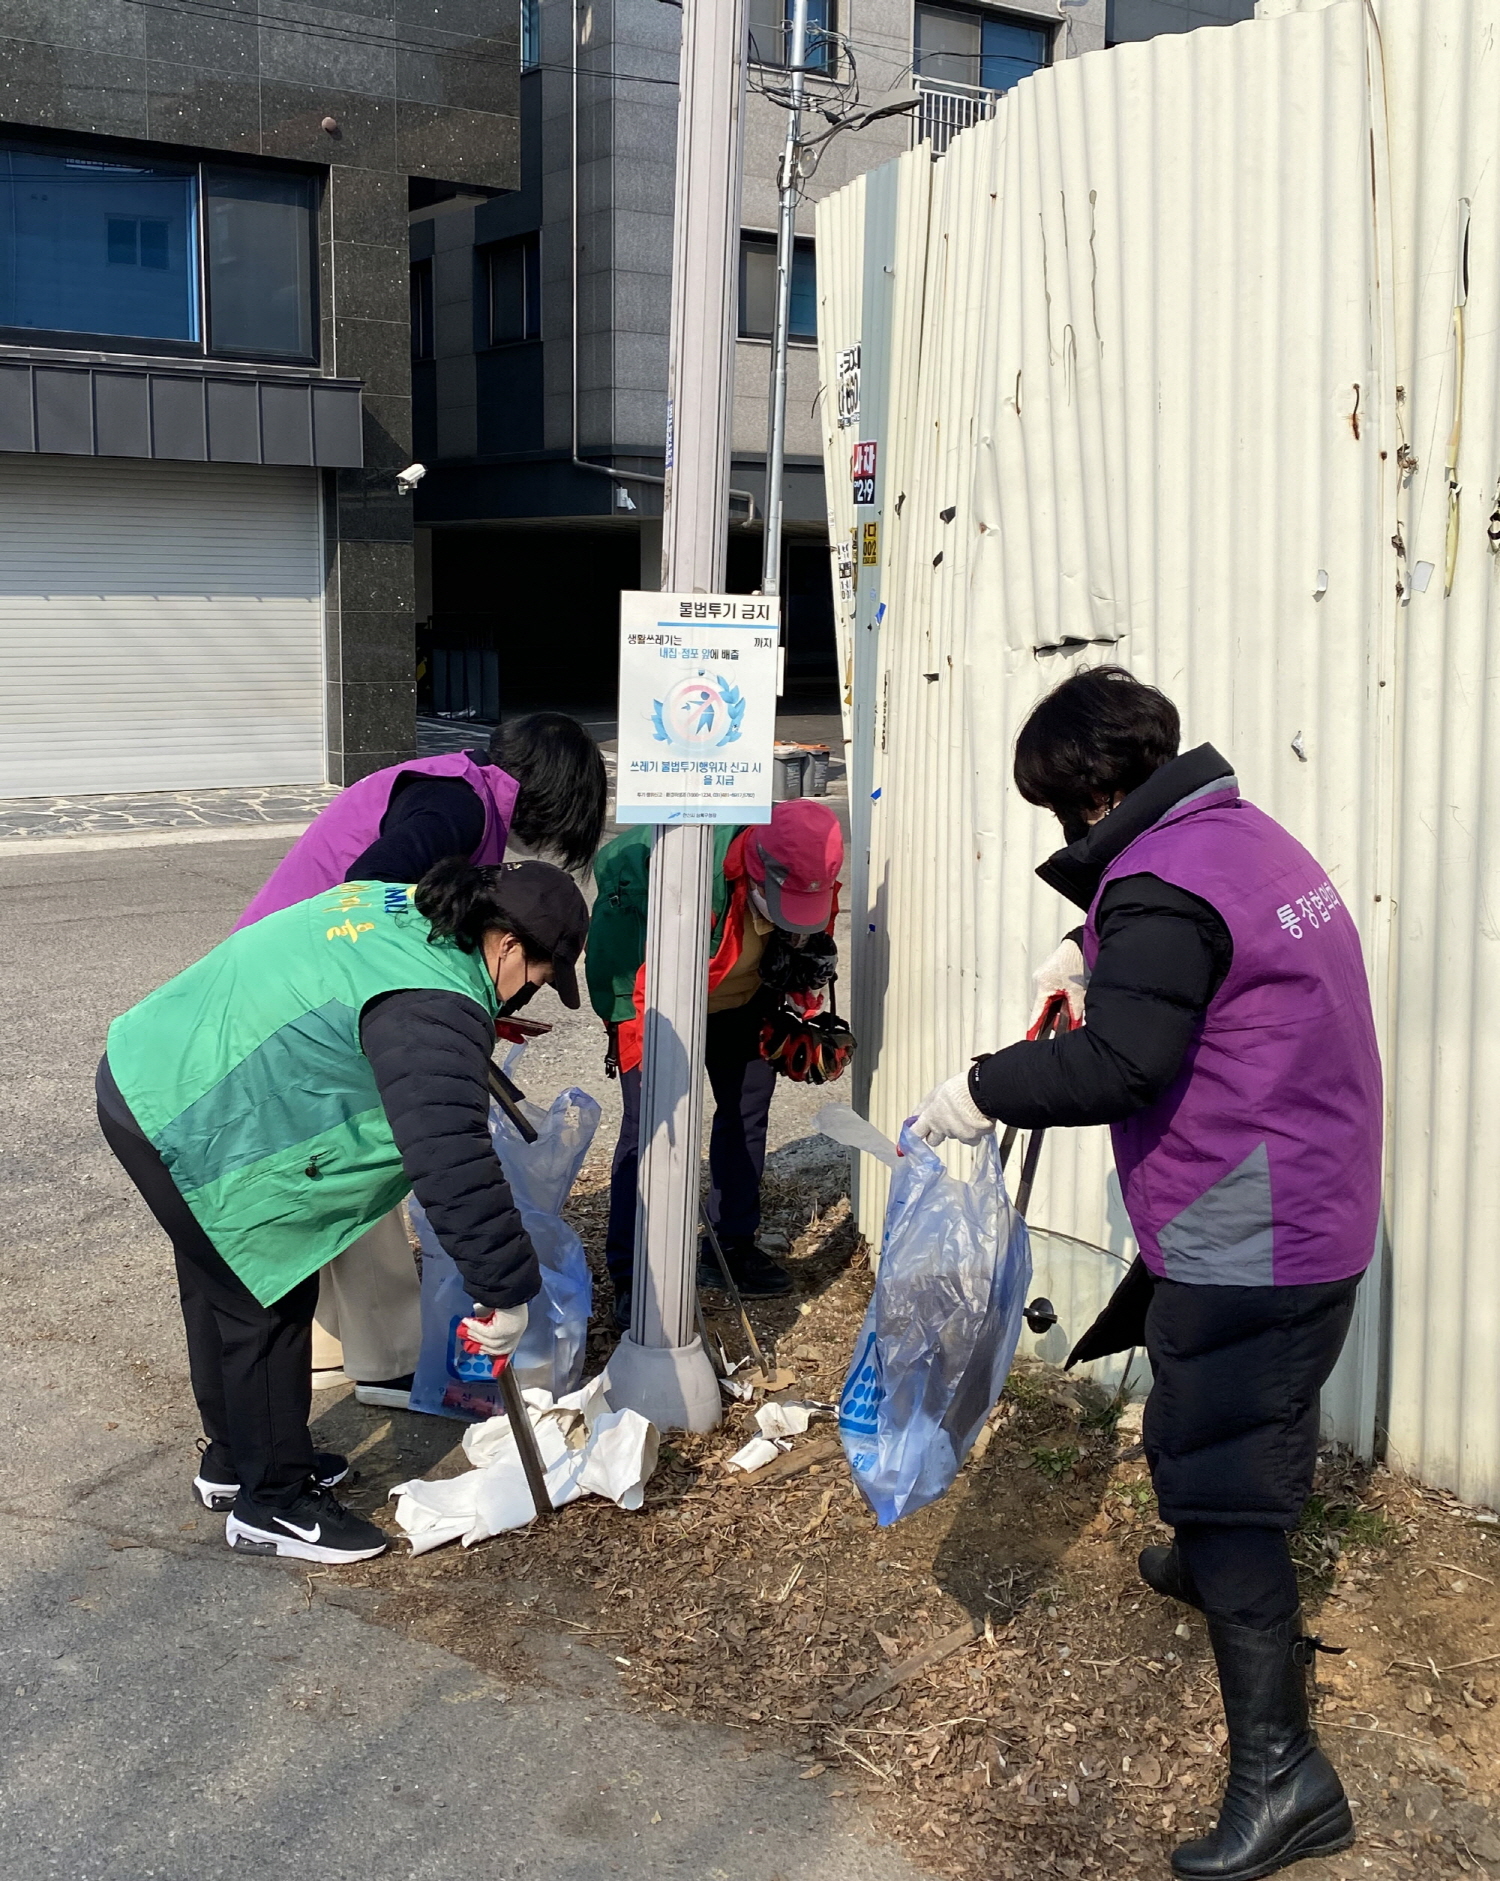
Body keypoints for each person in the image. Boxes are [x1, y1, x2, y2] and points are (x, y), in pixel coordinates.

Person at [913, 667, 1380, 1881]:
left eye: (1060, 811)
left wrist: (978, 1087)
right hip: (1301, 1193)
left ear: (1098, 795)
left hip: (1257, 1228)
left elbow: (1124, 1062)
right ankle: (1211, 1554)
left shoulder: (1165, 883)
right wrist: (1085, 947)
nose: (1063, 836)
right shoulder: (1237, 836)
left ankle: (1287, 1780)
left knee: (1222, 1463)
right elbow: (1181, 969)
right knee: (1230, 1409)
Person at [97, 859, 590, 1564]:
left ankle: (236, 1460)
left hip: (157, 1064)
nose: (526, 991)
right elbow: (451, 1159)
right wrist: (507, 1291)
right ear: (506, 942)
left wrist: (469, 1030)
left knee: (221, 1286)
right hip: (184, 1110)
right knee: (267, 1295)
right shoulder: (432, 1002)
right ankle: (274, 1503)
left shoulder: (412, 907)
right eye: (536, 974)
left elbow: (377, 1009)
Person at [235, 712, 608, 1409]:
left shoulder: (465, 791)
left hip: (291, 979)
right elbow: (370, 889)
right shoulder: (458, 807)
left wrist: (477, 1005)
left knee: (326, 1157)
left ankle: (333, 1348)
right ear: (554, 795)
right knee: (371, 1155)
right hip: (304, 988)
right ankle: (387, 1358)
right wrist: (433, 1011)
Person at [588, 799, 844, 1329]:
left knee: (747, 1113)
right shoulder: (676, 871)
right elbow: (615, 970)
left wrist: (801, 1004)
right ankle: (633, 1275)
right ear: (752, 867)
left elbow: (811, 943)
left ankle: (729, 1244)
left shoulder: (812, 863)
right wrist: (627, 1036)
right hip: (655, 1001)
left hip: (743, 1001)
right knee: (648, 1130)